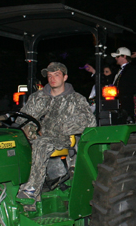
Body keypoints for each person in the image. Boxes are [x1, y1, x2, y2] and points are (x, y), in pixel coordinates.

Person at [18, 62, 95, 201]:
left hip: (62, 139)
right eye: (49, 75)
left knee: (42, 144)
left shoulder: (76, 100)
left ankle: (31, 189)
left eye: (56, 75)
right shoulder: (37, 97)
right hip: (36, 137)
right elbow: (23, 118)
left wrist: (55, 128)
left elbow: (89, 122)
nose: (52, 78)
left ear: (65, 77)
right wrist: (29, 128)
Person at [110, 47, 136, 124]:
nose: (116, 58)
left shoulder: (130, 69)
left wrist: (119, 92)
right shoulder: (119, 70)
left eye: (118, 56)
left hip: (126, 104)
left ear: (124, 56)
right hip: (118, 103)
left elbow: (131, 88)